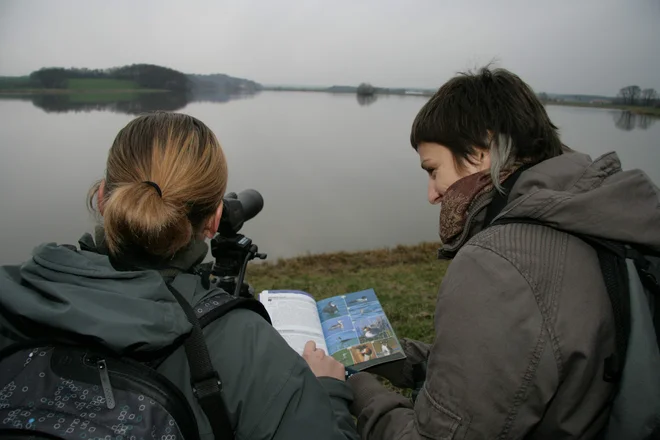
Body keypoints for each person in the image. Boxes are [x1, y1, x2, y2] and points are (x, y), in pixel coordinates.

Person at [0, 112, 358, 440]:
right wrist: (329, 390)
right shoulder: (245, 345)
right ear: (215, 220)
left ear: (102, 198)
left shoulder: (12, 296)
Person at [347, 67, 660, 439]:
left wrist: (352, 388)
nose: (431, 194)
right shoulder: (599, 218)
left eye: (432, 170)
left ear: (483, 151)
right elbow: (512, 368)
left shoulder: (500, 263)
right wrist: (382, 355)